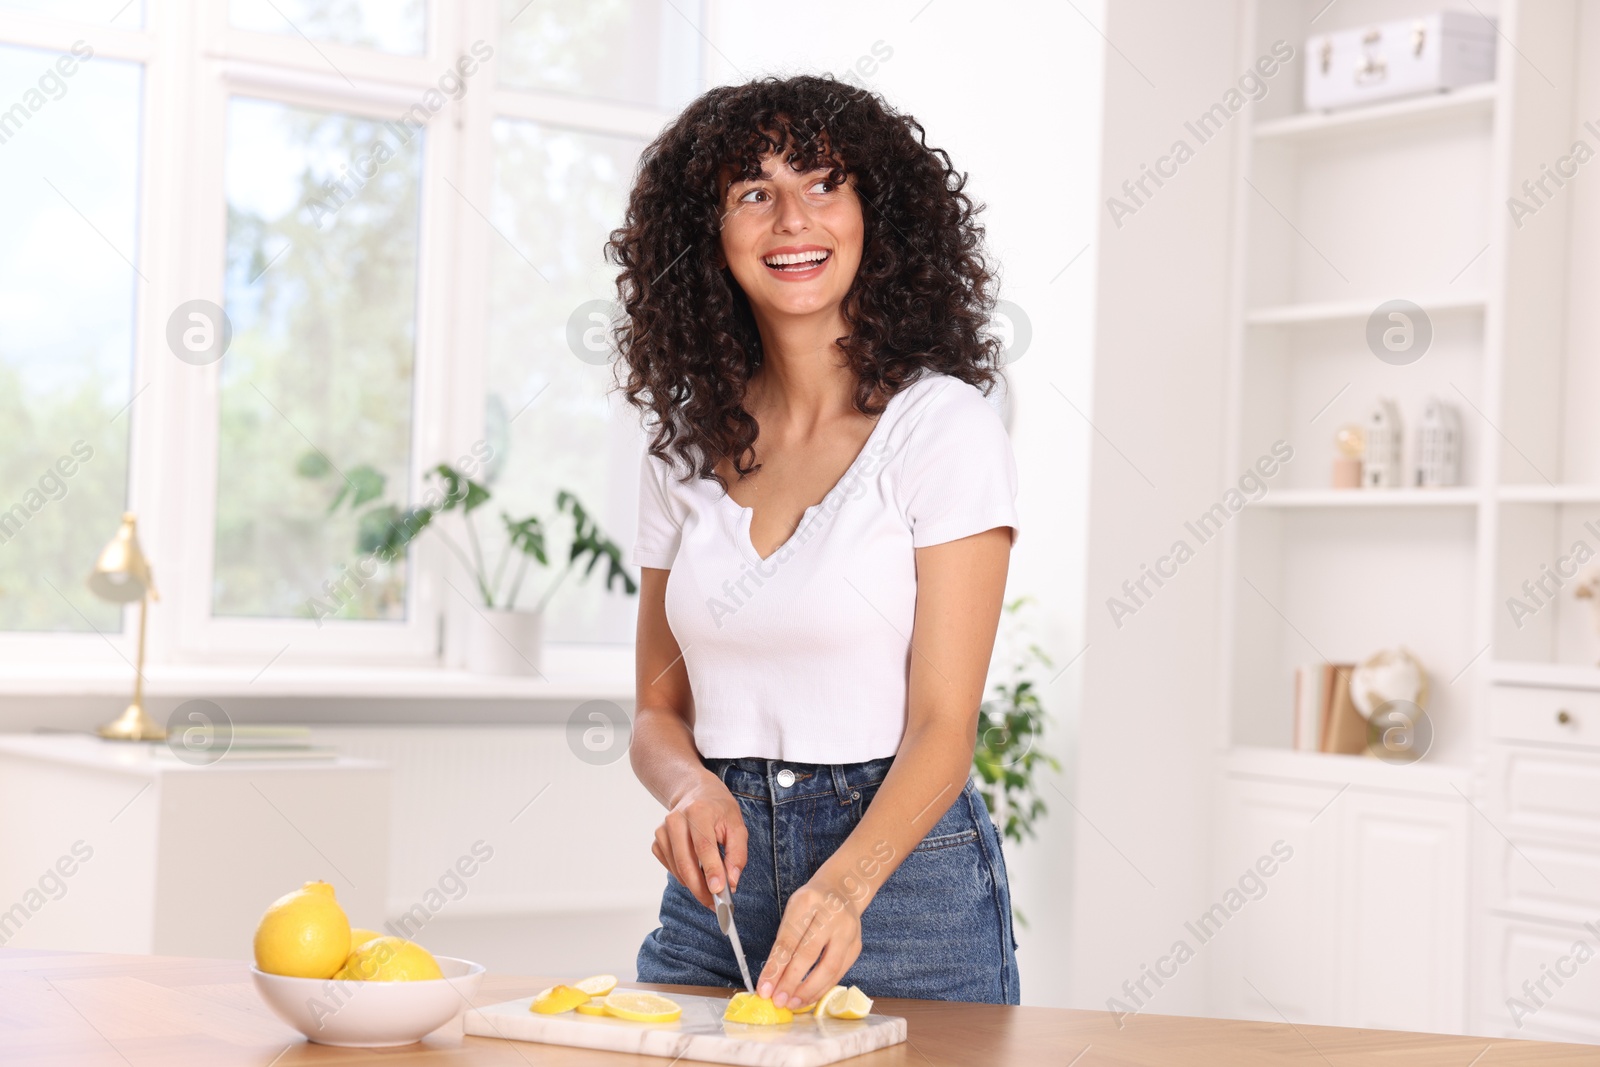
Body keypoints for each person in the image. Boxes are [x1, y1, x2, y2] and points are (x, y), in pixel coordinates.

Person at [608, 73, 1021, 1007]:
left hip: (902, 889)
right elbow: (656, 714)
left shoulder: (943, 429)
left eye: (824, 182)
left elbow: (943, 728)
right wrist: (687, 790)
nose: (793, 218)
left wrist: (842, 884)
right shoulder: (682, 445)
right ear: (707, 238)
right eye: (753, 192)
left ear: (876, 214)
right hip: (717, 896)